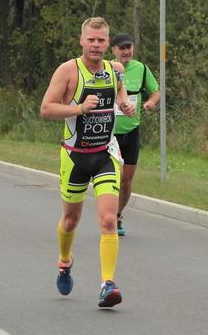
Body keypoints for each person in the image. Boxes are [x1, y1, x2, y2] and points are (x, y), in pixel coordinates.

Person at [40, 17, 135, 308]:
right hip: (74, 156)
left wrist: (124, 104)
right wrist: (80, 108)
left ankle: (108, 284)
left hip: (105, 154)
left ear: (108, 44)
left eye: (101, 40)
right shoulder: (68, 71)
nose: (96, 45)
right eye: (91, 40)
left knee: (108, 219)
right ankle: (64, 261)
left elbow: (120, 93)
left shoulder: (115, 70)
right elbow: (46, 109)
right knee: (71, 220)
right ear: (81, 41)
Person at [110, 33, 160, 236]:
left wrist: (151, 102)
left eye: (129, 47)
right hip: (109, 133)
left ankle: (117, 215)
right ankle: (107, 216)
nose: (126, 51)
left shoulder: (142, 69)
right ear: (113, 50)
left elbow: (155, 91)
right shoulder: (107, 69)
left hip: (131, 132)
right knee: (113, 177)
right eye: (122, 48)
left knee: (126, 180)